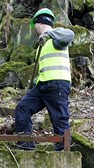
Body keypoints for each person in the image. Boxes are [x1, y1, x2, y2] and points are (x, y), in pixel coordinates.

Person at [14, 8, 75, 151]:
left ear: (38, 23)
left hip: (57, 84)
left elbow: (70, 34)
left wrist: (49, 33)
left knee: (59, 118)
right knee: (23, 108)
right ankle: (25, 146)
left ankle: (63, 151)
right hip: (43, 86)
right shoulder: (42, 45)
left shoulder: (57, 39)